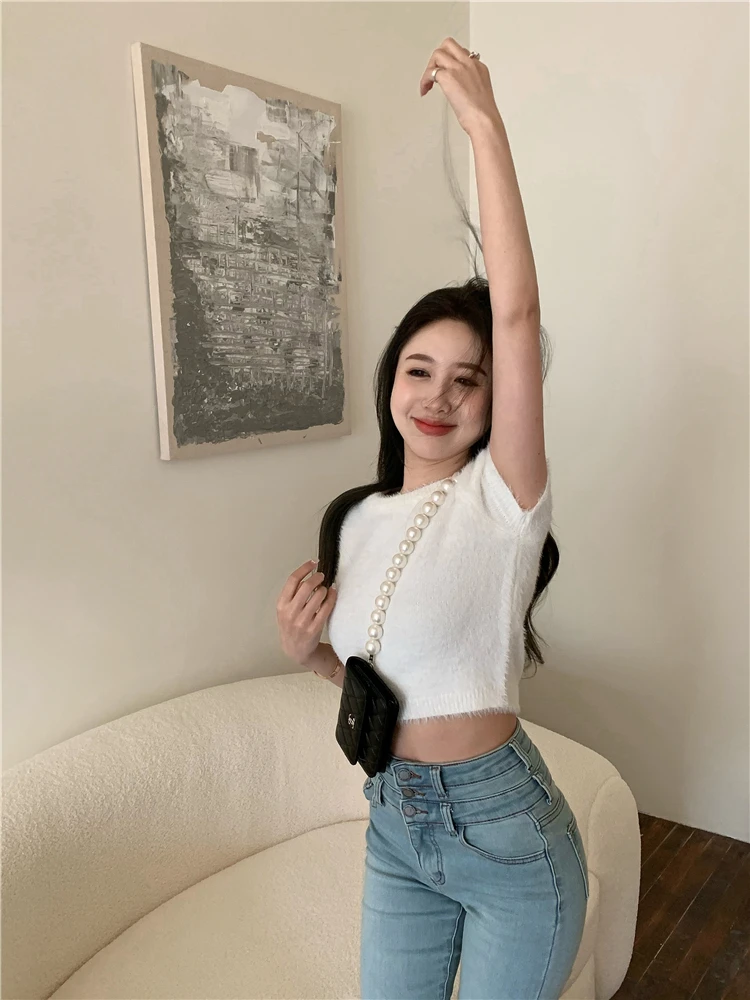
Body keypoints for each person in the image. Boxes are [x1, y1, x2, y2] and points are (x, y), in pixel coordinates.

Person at [276, 37, 588, 1000]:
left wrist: (483, 126)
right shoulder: (356, 519)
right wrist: (312, 657)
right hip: (394, 825)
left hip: (506, 837)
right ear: (392, 383)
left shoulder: (502, 499)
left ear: (496, 402)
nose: (439, 396)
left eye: (468, 379)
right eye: (420, 370)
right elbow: (382, 685)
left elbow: (518, 312)